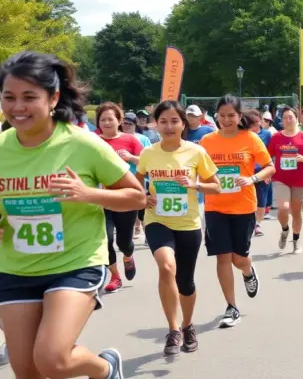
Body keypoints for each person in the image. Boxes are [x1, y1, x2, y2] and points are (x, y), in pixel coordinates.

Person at [0, 51, 145, 379]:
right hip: (15, 266)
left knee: (52, 359)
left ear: (53, 98)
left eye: (29, 97)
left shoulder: (83, 144)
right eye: (9, 97)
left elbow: (136, 196)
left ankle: (106, 369)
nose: (17, 107)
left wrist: (89, 194)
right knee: (26, 371)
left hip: (74, 263)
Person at [136, 101, 221, 356]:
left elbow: (215, 186)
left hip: (188, 223)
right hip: (157, 220)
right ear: (156, 124)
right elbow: (135, 181)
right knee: (166, 266)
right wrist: (143, 196)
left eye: (174, 121)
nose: (169, 126)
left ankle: (187, 325)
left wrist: (194, 185)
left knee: (185, 281)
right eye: (163, 121)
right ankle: (173, 329)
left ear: (183, 123)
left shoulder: (196, 152)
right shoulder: (148, 153)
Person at [199, 95, 271, 328]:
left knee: (239, 258)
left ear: (240, 116)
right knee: (223, 256)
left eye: (231, 115)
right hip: (215, 206)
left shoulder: (250, 139)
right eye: (222, 116)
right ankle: (231, 306)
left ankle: (248, 271)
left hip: (243, 206)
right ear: (216, 117)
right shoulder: (207, 141)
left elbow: (270, 166)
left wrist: (252, 178)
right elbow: (196, 169)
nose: (227, 120)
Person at [94, 102, 144, 293]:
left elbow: (146, 162)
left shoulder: (130, 140)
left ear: (119, 121)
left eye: (110, 119)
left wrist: (131, 157)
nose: (106, 123)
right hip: (100, 197)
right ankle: (115, 276)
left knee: (124, 241)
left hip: (125, 197)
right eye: (103, 119)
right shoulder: (93, 141)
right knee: (105, 240)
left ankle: (128, 256)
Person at [267, 106, 303, 253]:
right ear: (282, 120)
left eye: (291, 117)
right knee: (283, 208)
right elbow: (267, 156)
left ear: (296, 119)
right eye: (285, 117)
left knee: (296, 213)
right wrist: (267, 173)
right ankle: (285, 229)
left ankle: (296, 240)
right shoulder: (276, 137)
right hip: (281, 178)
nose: (288, 120)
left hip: (299, 179)